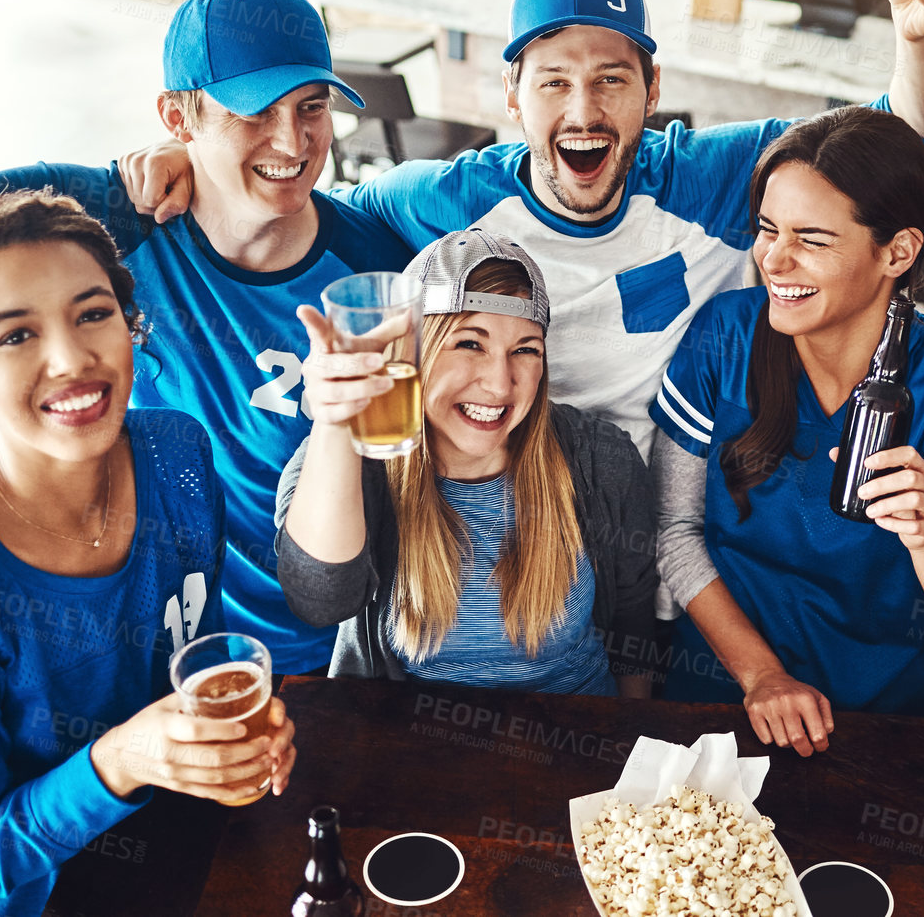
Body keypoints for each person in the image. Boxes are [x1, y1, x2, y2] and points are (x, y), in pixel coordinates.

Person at [119, 0, 924, 461]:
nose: (584, 111)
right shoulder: (446, 201)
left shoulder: (706, 176)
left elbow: (919, 133)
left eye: (613, 80)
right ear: (511, 97)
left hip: (678, 510)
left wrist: (918, 36)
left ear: (653, 89)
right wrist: (192, 157)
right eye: (554, 82)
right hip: (512, 498)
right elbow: (294, 196)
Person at [0, 0, 413, 676]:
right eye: (254, 114)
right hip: (165, 662)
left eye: (312, 108)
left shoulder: (374, 269)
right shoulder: (106, 221)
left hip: (345, 656)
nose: (293, 144)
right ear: (178, 117)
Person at [0, 192, 297, 917]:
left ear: (130, 324)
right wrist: (119, 759)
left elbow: (186, 656)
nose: (72, 359)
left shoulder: (177, 454)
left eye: (92, 314)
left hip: (148, 860)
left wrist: (225, 738)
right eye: (16, 336)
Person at [650, 106, 924, 754]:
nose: (775, 259)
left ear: (898, 252)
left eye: (813, 239)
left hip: (883, 730)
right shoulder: (722, 337)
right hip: (719, 698)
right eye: (768, 229)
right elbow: (674, 533)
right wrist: (761, 675)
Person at [273, 229, 658, 693]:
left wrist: (631, 743)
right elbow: (320, 600)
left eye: (525, 350)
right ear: (414, 352)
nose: (500, 384)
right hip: (415, 746)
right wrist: (336, 423)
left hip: (577, 742)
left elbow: (635, 630)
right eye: (469, 344)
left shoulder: (600, 459)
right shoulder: (349, 459)